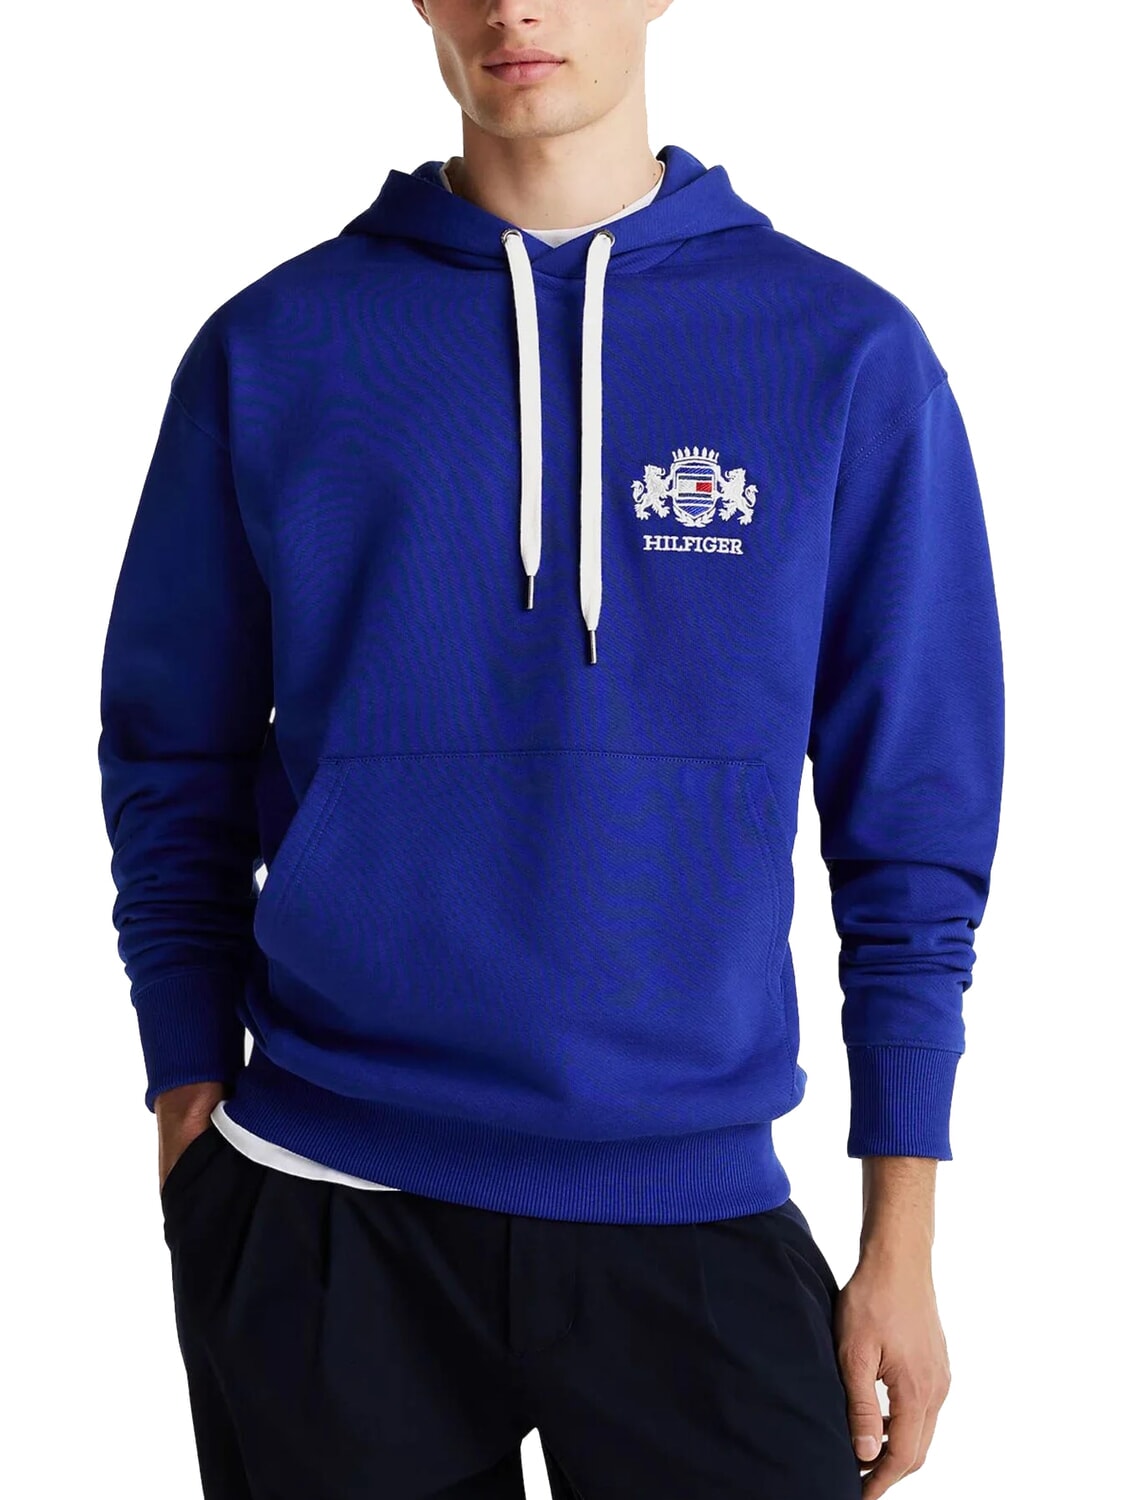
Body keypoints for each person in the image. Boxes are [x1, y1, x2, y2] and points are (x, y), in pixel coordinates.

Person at [97, 1, 1005, 1496]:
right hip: (325, 1206)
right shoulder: (275, 346)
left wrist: (899, 1236)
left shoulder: (842, 353)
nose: (513, 5)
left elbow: (912, 816)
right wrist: (185, 1095)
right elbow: (168, 758)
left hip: (693, 1206)